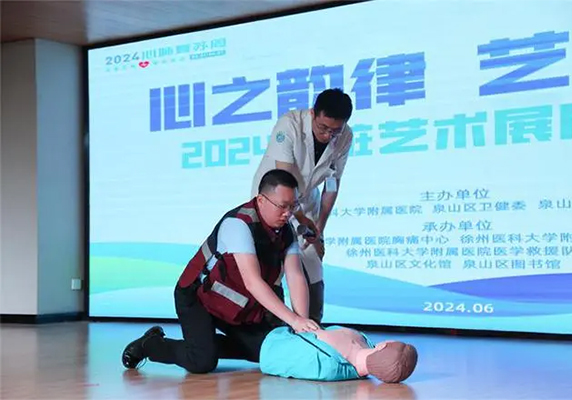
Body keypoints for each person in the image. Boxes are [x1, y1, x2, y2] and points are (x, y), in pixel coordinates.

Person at [121, 169, 320, 373]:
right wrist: (293, 320)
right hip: (199, 297)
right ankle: (150, 344)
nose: (288, 213)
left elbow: (295, 275)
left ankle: (203, 346)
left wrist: (302, 324)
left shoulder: (286, 231)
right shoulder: (238, 224)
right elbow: (253, 282)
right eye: (282, 206)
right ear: (261, 200)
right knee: (201, 362)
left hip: (235, 305)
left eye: (293, 206)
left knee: (266, 350)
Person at [251, 88, 354, 324]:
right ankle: (271, 326)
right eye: (323, 128)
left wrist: (319, 230)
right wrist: (298, 216)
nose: (328, 135)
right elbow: (284, 179)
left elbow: (332, 184)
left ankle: (312, 324)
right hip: (275, 199)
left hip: (307, 200)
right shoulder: (290, 125)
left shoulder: (345, 136)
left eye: (335, 131)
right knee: (271, 260)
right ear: (312, 113)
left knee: (312, 260)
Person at [260, 325, 418, 383]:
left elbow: (272, 356)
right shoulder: (362, 339)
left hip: (268, 340)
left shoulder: (327, 365)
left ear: (383, 346)